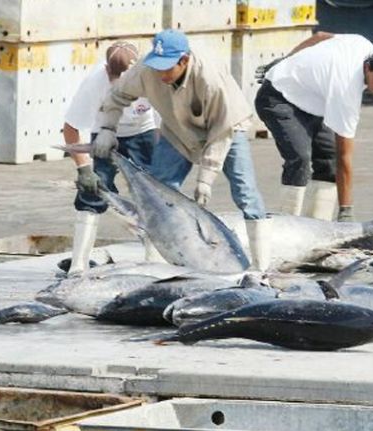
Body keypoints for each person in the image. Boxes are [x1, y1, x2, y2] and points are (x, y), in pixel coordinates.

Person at [92, 29, 272, 270]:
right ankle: (155, 260)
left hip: (227, 130)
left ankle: (262, 267)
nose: (161, 73)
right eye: (157, 66)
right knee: (160, 189)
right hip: (177, 131)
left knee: (245, 192)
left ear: (184, 60)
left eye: (167, 67)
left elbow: (221, 132)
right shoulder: (147, 70)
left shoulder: (210, 77)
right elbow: (117, 96)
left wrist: (206, 179)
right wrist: (107, 128)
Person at [254, 33, 373, 221]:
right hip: (278, 95)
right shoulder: (347, 89)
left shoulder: (364, 45)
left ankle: (318, 224)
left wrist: (288, 58)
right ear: (367, 67)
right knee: (300, 157)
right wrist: (346, 211)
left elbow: (321, 36)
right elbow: (345, 157)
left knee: (329, 157)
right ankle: (287, 222)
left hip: (314, 103)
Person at [63, 42, 161, 274]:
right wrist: (84, 169)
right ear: (107, 69)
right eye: (113, 75)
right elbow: (70, 128)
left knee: (152, 194)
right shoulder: (95, 83)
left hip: (143, 132)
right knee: (92, 192)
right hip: (105, 134)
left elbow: (166, 118)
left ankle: (155, 257)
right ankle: (78, 264)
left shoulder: (154, 78)